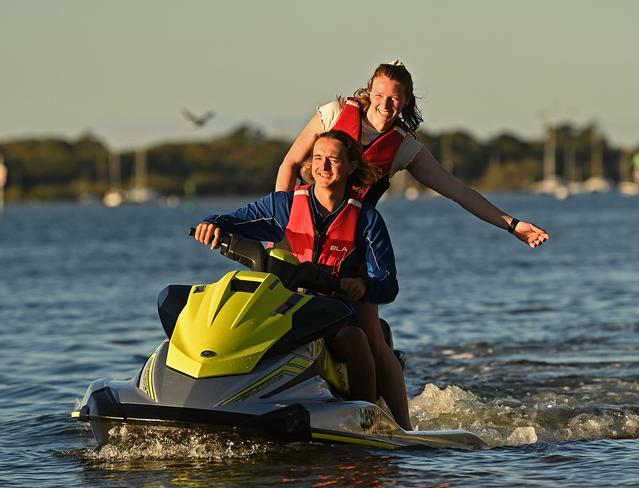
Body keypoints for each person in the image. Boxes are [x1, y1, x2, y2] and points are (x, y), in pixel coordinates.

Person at [275, 60, 551, 430]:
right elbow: (291, 162)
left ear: (405, 102)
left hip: (353, 246)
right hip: (303, 236)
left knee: (370, 334)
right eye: (379, 95)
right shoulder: (333, 114)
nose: (384, 105)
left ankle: (400, 428)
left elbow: (458, 191)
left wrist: (512, 224)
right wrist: (281, 224)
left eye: (394, 99)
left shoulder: (403, 147)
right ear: (368, 92)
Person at [195, 130, 398, 405]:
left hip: (332, 312)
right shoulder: (284, 205)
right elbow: (232, 220)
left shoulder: (367, 220)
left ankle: (366, 415)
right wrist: (211, 223)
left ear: (351, 166)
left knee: (355, 338)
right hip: (282, 304)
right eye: (317, 158)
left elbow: (387, 285)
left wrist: (364, 286)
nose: (323, 166)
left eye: (333, 160)